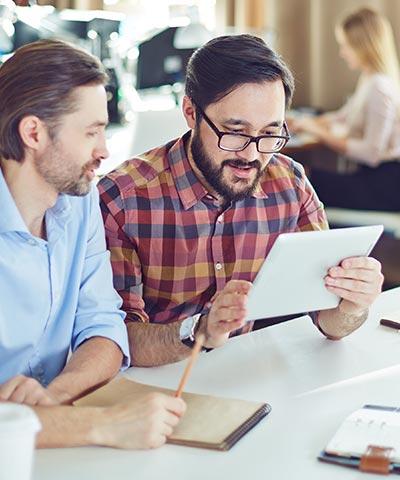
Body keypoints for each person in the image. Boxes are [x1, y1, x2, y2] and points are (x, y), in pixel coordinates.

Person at [98, 34, 383, 368]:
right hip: (156, 388)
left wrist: (353, 305)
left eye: (269, 134)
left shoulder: (289, 183)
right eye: (235, 132)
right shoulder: (123, 199)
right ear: (190, 112)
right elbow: (113, 338)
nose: (251, 155)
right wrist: (199, 331)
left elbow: (329, 321)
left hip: (248, 378)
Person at [0, 39, 185, 448]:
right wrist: (106, 426)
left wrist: (54, 398)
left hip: (49, 437)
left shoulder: (79, 204)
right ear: (33, 132)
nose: (104, 151)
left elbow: (103, 328)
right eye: (91, 132)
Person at [292, 7, 400, 211]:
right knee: (300, 176)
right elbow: (343, 116)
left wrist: (318, 131)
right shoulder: (370, 79)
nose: (342, 53)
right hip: (375, 179)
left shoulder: (379, 87)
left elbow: (371, 154)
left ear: (363, 47)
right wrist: (304, 122)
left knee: (298, 178)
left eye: (346, 46)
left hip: (384, 186)